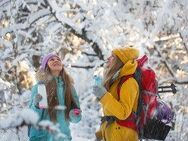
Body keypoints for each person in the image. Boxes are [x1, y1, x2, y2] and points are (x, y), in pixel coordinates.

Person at [28, 53, 81, 141]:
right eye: (51, 60)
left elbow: (76, 118)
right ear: (46, 66)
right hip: (41, 137)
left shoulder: (69, 88)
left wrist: (75, 114)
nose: (56, 60)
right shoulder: (39, 87)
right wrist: (36, 105)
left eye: (58, 59)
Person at [93, 47, 140, 141]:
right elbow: (110, 114)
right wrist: (100, 134)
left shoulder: (129, 82)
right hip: (112, 134)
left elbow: (123, 113)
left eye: (112, 56)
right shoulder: (115, 82)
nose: (108, 58)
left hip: (123, 136)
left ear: (119, 61)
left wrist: (104, 96)